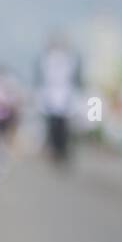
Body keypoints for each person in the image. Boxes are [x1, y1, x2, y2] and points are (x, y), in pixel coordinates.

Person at [36, 32, 81, 166]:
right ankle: (54, 151)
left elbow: (75, 76)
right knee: (52, 127)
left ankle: (62, 151)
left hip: (65, 97)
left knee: (63, 128)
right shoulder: (46, 58)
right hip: (51, 97)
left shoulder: (69, 58)